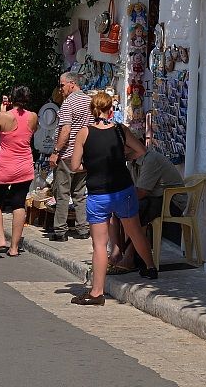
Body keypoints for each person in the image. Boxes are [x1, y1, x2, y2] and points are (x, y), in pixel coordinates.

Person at [68, 91, 158, 305]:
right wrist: (124, 157)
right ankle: (150, 268)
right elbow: (141, 151)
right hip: (123, 189)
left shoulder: (84, 133)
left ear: (92, 110)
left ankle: (97, 292)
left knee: (100, 244)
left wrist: (91, 165)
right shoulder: (120, 130)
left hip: (98, 194)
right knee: (135, 231)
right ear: (111, 110)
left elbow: (74, 166)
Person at [108, 143, 185, 273]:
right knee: (117, 210)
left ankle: (129, 257)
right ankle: (117, 253)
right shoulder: (132, 162)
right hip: (154, 199)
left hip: (172, 202)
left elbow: (141, 192)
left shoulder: (151, 160)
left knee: (135, 211)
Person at [0, 86, 38, 257]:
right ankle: (14, 247)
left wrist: (2, 111)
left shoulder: (3, 116)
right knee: (18, 203)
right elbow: (30, 132)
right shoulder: (33, 117)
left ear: (11, 99)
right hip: (24, 165)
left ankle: (0, 239)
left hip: (5, 165)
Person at [47, 71, 91, 242]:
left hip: (67, 154)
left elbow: (65, 130)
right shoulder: (89, 101)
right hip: (84, 154)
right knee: (80, 193)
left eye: (62, 85)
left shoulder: (68, 104)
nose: (60, 89)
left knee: (63, 193)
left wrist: (56, 151)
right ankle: (83, 228)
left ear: (72, 84)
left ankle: (60, 231)